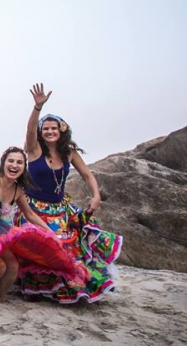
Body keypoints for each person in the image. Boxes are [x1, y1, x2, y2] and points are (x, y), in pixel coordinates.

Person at [17, 83, 123, 303]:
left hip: (61, 209)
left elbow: (86, 174)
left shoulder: (69, 153)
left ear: (61, 130)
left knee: (74, 246)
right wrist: (37, 108)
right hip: (33, 208)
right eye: (45, 129)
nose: (49, 131)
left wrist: (96, 195)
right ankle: (39, 288)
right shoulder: (34, 149)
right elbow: (29, 131)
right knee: (46, 246)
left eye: (53, 128)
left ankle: (70, 287)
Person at [0, 147, 83, 302]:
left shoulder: (18, 189)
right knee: (0, 267)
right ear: (3, 163)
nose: (14, 165)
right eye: (11, 161)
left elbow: (30, 214)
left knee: (13, 265)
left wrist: (51, 234)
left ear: (24, 167)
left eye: (19, 162)